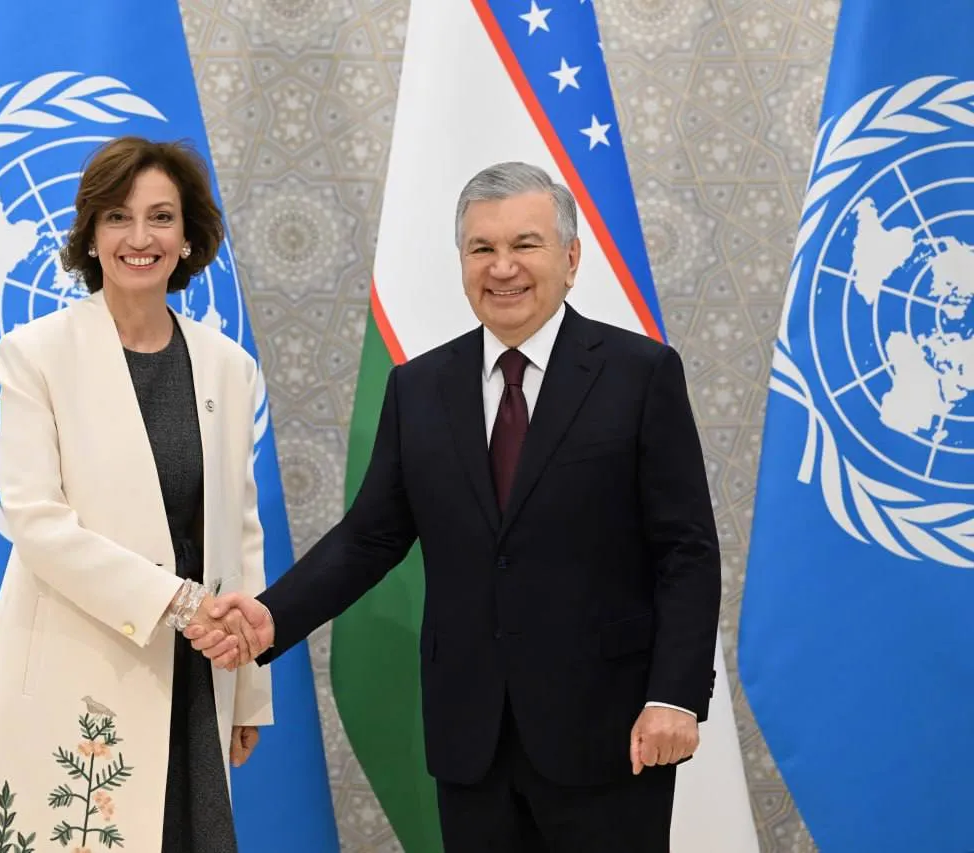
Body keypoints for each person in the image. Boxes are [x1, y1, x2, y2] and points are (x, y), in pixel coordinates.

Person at [193, 162, 721, 852]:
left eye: (524, 245)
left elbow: (687, 548)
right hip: (472, 738)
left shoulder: (640, 374)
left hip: (610, 734)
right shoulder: (420, 388)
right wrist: (273, 614)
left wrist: (675, 694)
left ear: (570, 257)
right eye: (482, 248)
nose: (503, 267)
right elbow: (370, 537)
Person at [0, 136, 271, 853]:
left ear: (188, 237)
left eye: (161, 217)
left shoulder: (228, 365)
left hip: (198, 669)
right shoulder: (35, 354)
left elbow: (239, 531)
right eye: (118, 218)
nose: (140, 238)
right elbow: (36, 522)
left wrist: (247, 685)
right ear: (90, 235)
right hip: (79, 661)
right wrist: (178, 601)